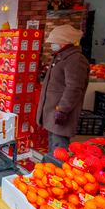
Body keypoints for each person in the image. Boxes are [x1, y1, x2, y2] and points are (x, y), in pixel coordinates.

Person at [36, 25, 90, 154]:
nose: (53, 44)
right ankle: (51, 166)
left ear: (65, 41)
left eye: (55, 41)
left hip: (61, 108)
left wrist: (63, 109)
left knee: (60, 143)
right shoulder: (60, 56)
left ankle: (59, 169)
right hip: (53, 108)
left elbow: (74, 87)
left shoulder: (75, 59)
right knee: (53, 139)